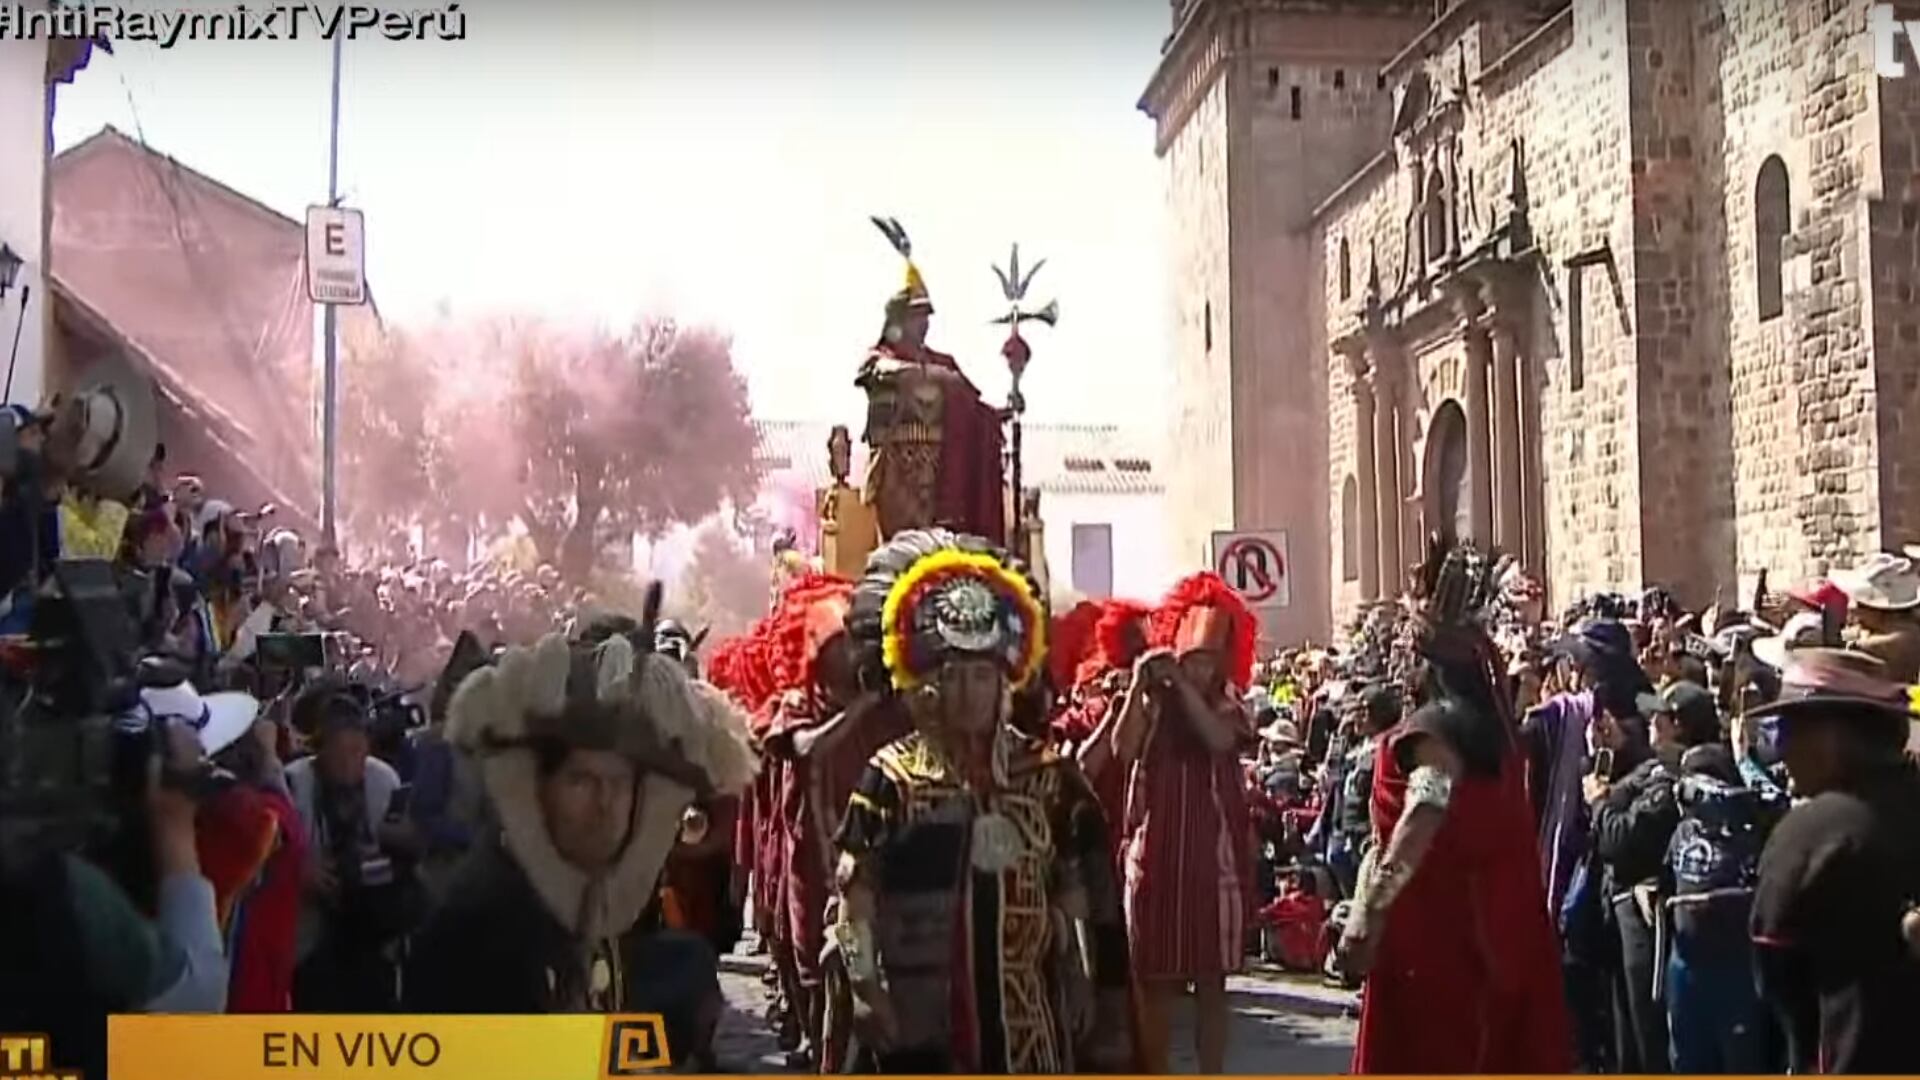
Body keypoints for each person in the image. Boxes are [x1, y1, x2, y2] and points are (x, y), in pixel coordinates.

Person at [831, 529, 1134, 1073]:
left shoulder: (1046, 777)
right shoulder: (892, 777)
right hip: (920, 1028)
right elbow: (855, 900)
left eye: (982, 676)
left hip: (1029, 1030)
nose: (970, 693)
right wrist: (862, 987)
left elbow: (1074, 887)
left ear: (1006, 683)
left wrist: (1083, 978)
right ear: (930, 686)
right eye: (956, 677)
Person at [403, 615, 758, 1070]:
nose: (605, 803)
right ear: (538, 789)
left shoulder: (584, 899)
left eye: (619, 782)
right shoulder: (481, 926)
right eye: (581, 781)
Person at [1338, 539, 1572, 1074]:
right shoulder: (1492, 729)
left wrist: (1368, 914)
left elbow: (1424, 809)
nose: (1397, 654)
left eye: (1406, 643)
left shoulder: (1436, 731)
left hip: (1446, 940)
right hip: (1496, 931)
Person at [1106, 572, 1257, 1074]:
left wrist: (1181, 688)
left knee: (1213, 983)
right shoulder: (1152, 703)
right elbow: (1121, 750)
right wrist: (1137, 688)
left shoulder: (1230, 705)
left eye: (1207, 662)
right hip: (1156, 859)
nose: (1198, 671)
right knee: (1155, 984)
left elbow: (1217, 738)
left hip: (1215, 863)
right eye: (1191, 660)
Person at [1748, 649, 1920, 1073]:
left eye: (1789, 731)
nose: (1781, 750)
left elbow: (1774, 972)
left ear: (1831, 737)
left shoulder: (1809, 833)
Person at [856, 221, 1006, 543]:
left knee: (934, 549)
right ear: (899, 320)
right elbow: (876, 371)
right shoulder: (880, 357)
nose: (923, 324)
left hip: (937, 476)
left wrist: (999, 415)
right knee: (899, 551)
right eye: (916, 316)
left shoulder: (942, 361)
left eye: (926, 316)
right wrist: (930, 376)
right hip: (895, 473)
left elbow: (973, 403)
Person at [285, 682, 415, 1011]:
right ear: (320, 750)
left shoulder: (383, 781)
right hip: (311, 935)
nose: (349, 763)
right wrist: (299, 870)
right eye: (339, 753)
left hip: (373, 932)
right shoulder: (294, 784)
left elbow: (400, 851)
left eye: (357, 752)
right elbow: (269, 854)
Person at [1833, 552, 1920, 683]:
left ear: (1881, 611)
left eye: (1861, 605)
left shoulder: (1900, 638)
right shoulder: (1906, 629)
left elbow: (1853, 649)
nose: (1853, 610)